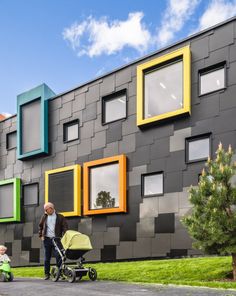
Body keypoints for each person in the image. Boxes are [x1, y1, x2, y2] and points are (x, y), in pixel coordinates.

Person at [38, 202, 68, 280]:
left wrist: (65, 236)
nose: (46, 211)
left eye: (46, 210)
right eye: (45, 210)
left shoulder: (60, 217)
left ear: (51, 208)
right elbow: (40, 226)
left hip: (57, 239)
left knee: (59, 256)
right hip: (47, 239)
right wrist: (41, 235)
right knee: (47, 257)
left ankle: (59, 273)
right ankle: (47, 274)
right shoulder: (44, 217)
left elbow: (65, 227)